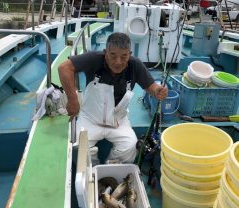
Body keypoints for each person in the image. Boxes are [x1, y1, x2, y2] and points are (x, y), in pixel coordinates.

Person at [58, 32, 168, 165]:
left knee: (130, 147)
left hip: (118, 122)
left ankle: (109, 173)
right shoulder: (94, 58)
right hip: (90, 119)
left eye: (124, 56)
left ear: (130, 54)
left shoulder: (135, 65)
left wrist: (158, 91)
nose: (118, 62)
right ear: (105, 52)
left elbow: (152, 87)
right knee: (78, 146)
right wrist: (73, 99)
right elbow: (64, 68)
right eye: (113, 55)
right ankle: (92, 171)